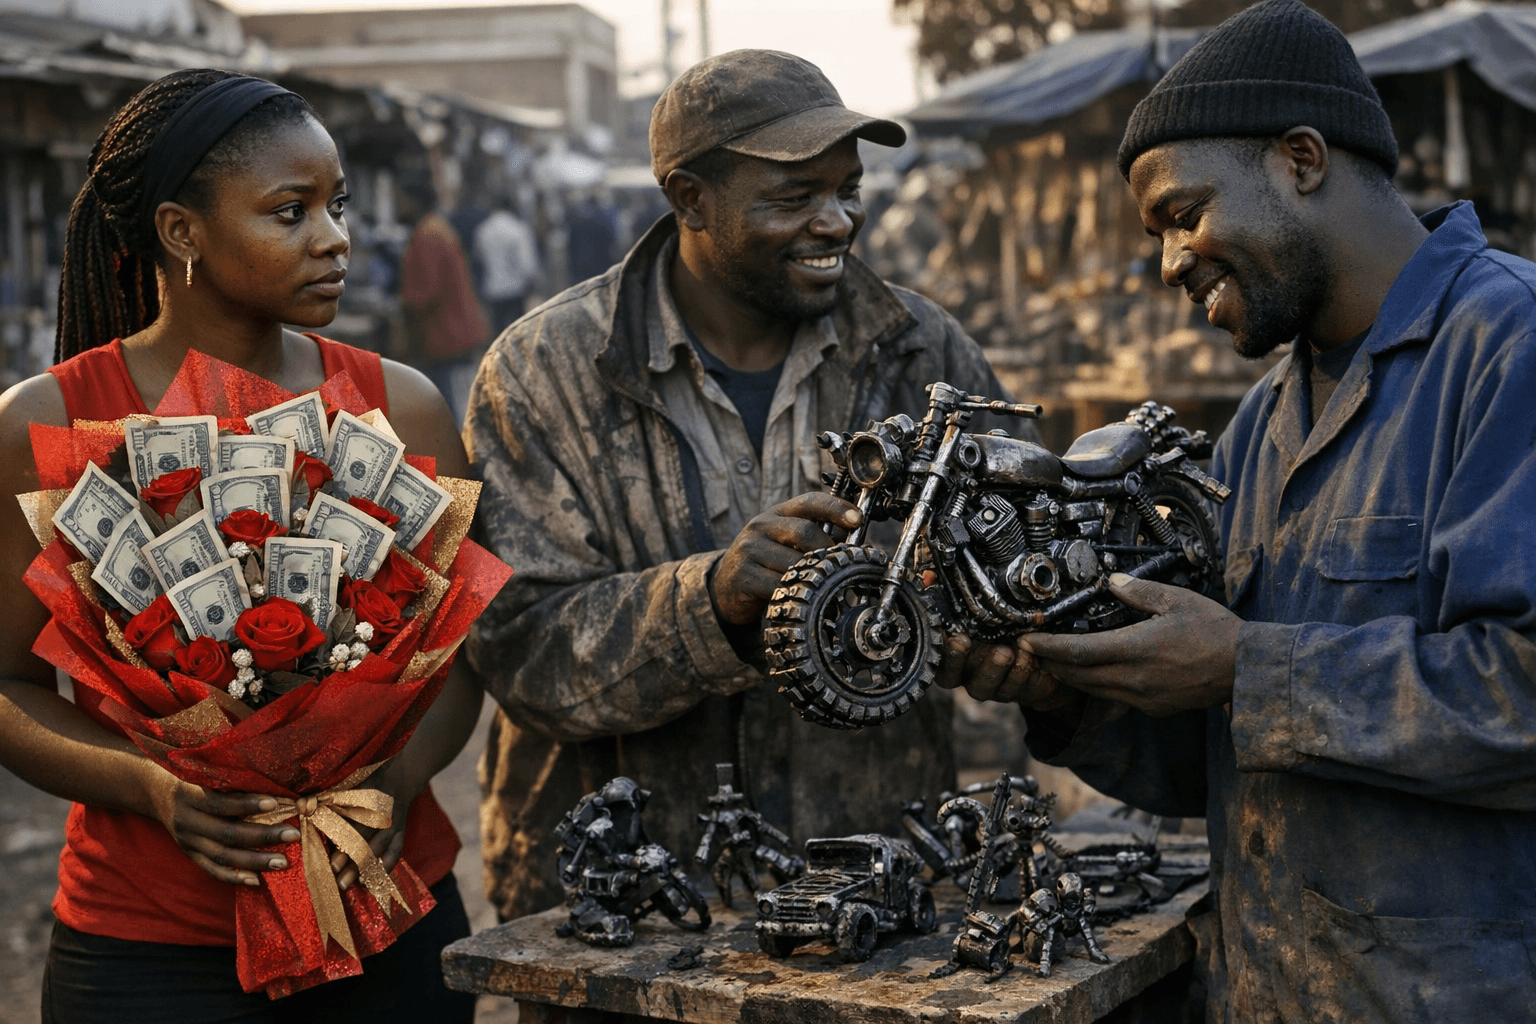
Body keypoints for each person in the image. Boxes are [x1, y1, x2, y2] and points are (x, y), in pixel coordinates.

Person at [967, 2, 1536, 1020]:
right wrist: (1068, 692)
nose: (1169, 262)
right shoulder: (1262, 424)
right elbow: (1222, 756)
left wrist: (1246, 666)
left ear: (1302, 159)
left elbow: (1521, 696)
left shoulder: (1508, 348)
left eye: (1183, 214)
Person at [465, 49, 1039, 921]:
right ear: (690, 198)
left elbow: (1019, 567)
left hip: (868, 888)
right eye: (795, 196)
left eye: (848, 189)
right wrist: (711, 603)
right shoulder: (544, 371)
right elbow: (521, 651)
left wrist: (987, 632)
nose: (837, 221)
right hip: (627, 911)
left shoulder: (923, 353)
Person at [0, 70, 480, 1022]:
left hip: (386, 912)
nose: (335, 238)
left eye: (337, 205)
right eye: (290, 212)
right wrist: (150, 787)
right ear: (182, 231)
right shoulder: (45, 423)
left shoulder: (403, 405)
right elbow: (7, 685)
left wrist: (394, 780)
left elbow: (462, 662)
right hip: (150, 948)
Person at [399, 180, 489, 426]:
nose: (398, 205)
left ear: (413, 201)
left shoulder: (428, 234)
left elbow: (428, 290)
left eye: (401, 199)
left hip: (446, 334)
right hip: (452, 331)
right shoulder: (436, 228)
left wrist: (404, 302)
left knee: (451, 408)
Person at [473, 193, 542, 332]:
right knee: (519, 331)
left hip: (492, 290)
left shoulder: (482, 230)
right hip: (516, 289)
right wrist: (535, 281)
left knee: (499, 333)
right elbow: (527, 264)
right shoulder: (518, 228)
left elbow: (479, 258)